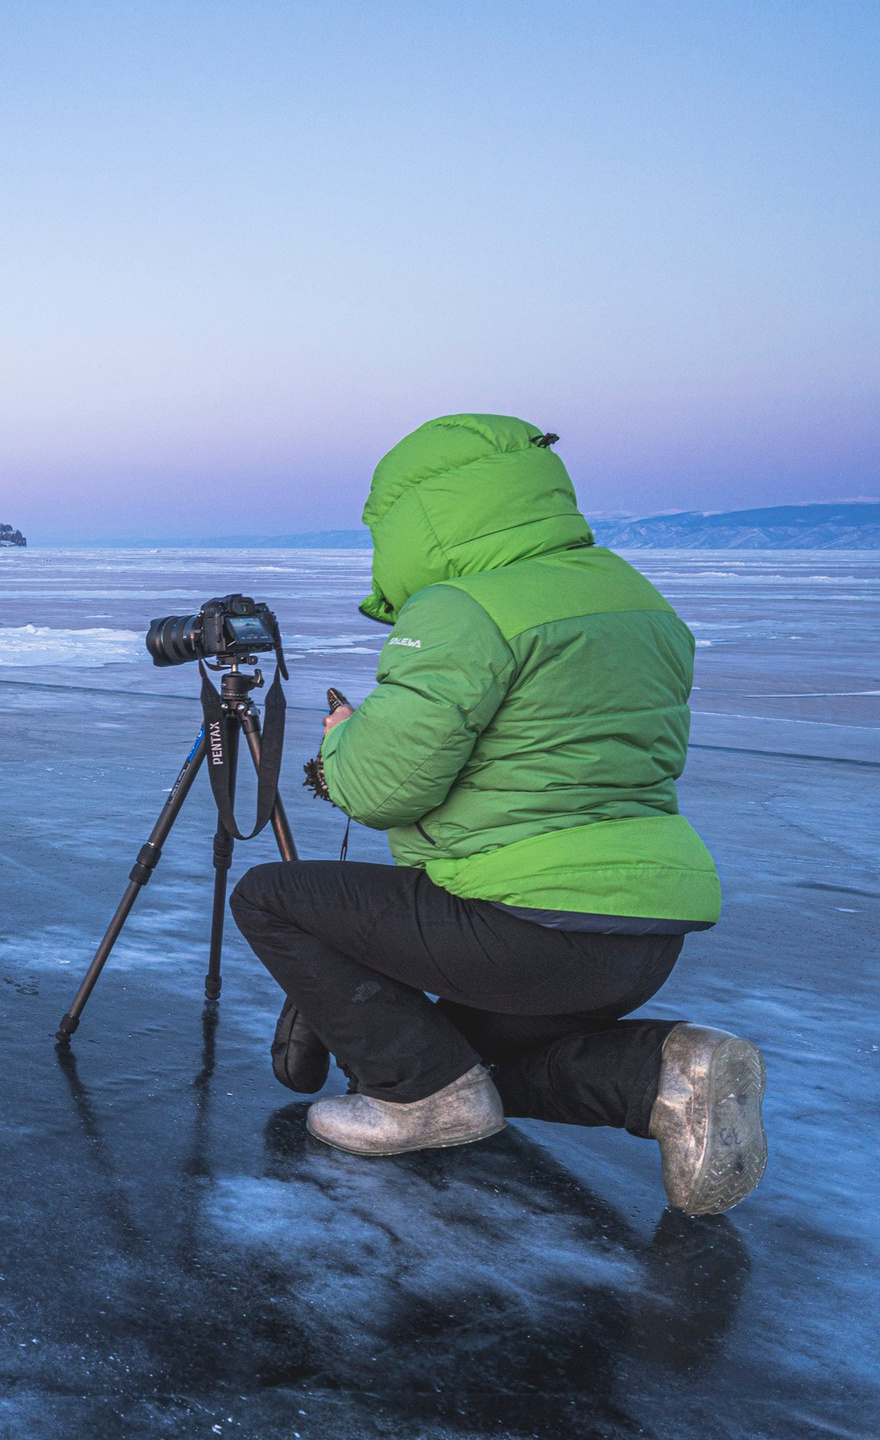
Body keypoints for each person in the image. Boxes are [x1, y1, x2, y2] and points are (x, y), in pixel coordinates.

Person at [230, 413, 767, 1216]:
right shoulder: (636, 598)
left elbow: (382, 788)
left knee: (271, 897)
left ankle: (418, 1102)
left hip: (525, 927)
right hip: (645, 932)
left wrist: (342, 741)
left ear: (421, 517)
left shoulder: (463, 608)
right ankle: (662, 1073)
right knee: (462, 1065)